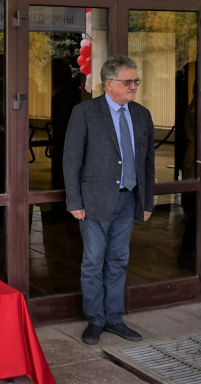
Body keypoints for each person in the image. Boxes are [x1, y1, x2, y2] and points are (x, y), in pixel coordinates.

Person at [63, 55, 155, 345]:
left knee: (118, 260)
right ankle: (95, 320)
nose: (133, 86)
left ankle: (114, 318)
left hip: (128, 200)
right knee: (93, 263)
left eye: (136, 81)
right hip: (94, 201)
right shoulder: (85, 112)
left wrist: (147, 202)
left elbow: (147, 162)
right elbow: (71, 160)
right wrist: (74, 201)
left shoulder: (141, 114)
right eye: (128, 82)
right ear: (109, 83)